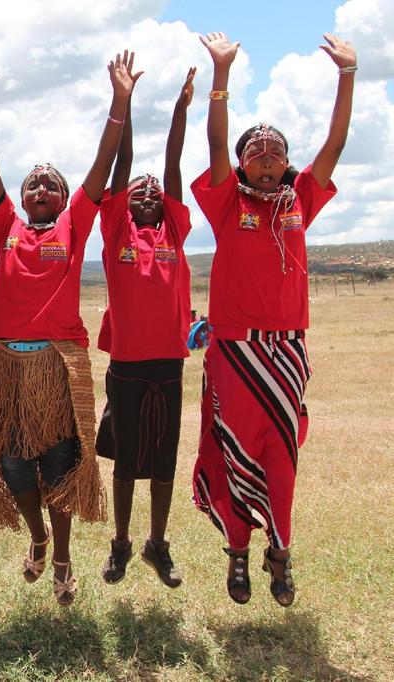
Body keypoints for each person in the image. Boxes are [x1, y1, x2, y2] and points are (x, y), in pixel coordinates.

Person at [0, 54, 135, 605]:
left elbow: (100, 170)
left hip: (57, 367)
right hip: (7, 367)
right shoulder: (6, 227)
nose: (41, 189)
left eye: (51, 185)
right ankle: (36, 536)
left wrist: (120, 102)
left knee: (59, 463)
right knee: (13, 463)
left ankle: (61, 556)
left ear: (64, 199)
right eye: (33, 183)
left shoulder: (74, 225)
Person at [191, 32, 355, 607]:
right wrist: (221, 77)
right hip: (234, 352)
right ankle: (237, 550)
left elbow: (335, 142)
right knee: (235, 449)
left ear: (286, 164)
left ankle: (279, 551)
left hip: (285, 351)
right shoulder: (225, 201)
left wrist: (347, 76)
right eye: (255, 150)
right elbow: (213, 143)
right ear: (240, 163)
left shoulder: (300, 200)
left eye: (276, 151)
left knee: (281, 454)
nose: (266, 156)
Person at [96, 67, 196, 589]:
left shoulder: (174, 230)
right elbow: (125, 163)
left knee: (162, 461)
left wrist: (181, 110)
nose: (150, 193)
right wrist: (126, 101)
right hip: (128, 366)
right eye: (140, 191)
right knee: (126, 460)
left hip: (169, 365)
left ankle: (158, 544)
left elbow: (172, 163)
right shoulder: (116, 229)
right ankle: (121, 544)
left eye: (155, 192)